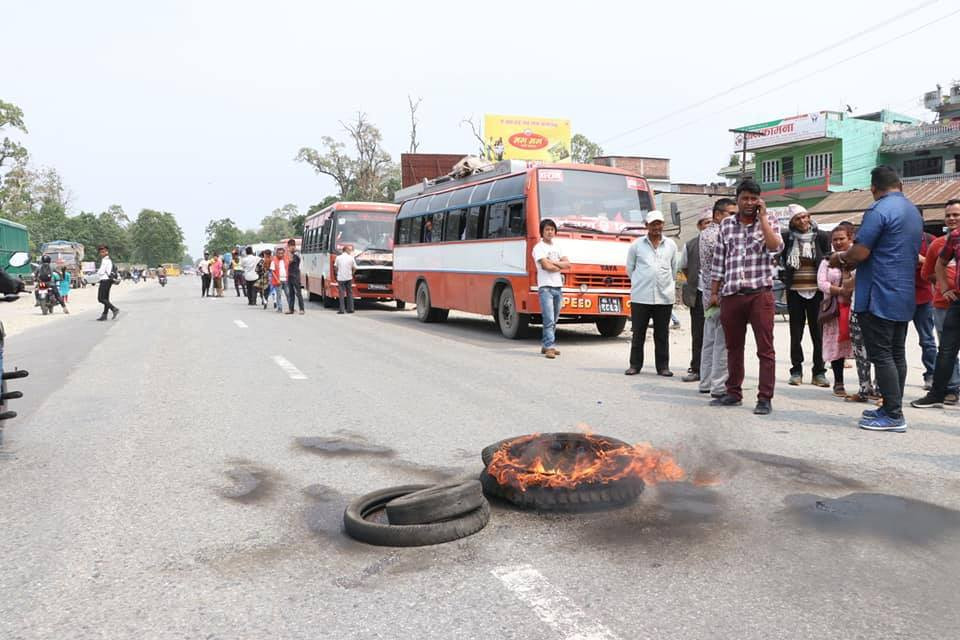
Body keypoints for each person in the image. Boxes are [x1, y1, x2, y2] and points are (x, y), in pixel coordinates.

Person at [829, 166, 923, 432]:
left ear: (873, 188)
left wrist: (840, 258)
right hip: (904, 292)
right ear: (900, 185)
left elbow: (859, 253)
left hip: (879, 293)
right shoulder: (913, 212)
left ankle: (893, 415)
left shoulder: (879, 210)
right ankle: (891, 406)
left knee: (881, 355)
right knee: (896, 353)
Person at [708, 179, 783, 415]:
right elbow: (719, 261)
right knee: (734, 347)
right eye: (745, 198)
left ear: (759, 200)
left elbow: (775, 247)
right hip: (732, 294)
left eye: (754, 198)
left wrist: (762, 219)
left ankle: (764, 398)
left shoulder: (769, 221)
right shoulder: (727, 225)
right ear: (737, 199)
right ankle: (733, 393)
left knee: (765, 349)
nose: (749, 203)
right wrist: (713, 292)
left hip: (760, 294)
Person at [779, 204, 832, 387]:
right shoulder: (786, 237)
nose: (803, 221)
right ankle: (796, 371)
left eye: (805, 216)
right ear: (792, 222)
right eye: (798, 219)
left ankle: (819, 372)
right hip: (795, 292)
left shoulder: (822, 236)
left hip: (817, 293)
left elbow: (828, 261)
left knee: (818, 334)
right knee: (796, 333)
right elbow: (779, 260)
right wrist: (784, 276)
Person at [911, 221, 960, 410]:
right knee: (946, 350)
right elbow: (940, 263)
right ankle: (938, 393)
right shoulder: (955, 236)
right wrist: (945, 288)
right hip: (957, 301)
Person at [625, 210, 679, 377]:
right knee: (638, 333)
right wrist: (641, 282)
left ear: (663, 225)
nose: (656, 227)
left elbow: (674, 269)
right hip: (641, 297)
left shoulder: (671, 245)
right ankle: (635, 365)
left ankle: (663, 367)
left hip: (664, 298)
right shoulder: (636, 245)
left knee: (662, 334)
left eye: (659, 223)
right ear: (646, 226)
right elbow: (630, 269)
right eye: (653, 224)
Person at [698, 198, 736, 398]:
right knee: (722, 342)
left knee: (710, 340)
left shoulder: (705, 233)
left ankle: (705, 382)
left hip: (709, 294)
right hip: (720, 294)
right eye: (730, 214)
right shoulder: (719, 235)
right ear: (718, 215)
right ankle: (719, 386)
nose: (733, 218)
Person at [817, 225, 855, 397]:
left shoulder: (858, 258)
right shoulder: (827, 260)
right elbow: (822, 283)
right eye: (835, 240)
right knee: (836, 346)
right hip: (834, 310)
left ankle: (866, 384)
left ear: (850, 239)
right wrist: (840, 291)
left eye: (842, 239)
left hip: (856, 307)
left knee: (861, 346)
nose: (838, 242)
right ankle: (838, 383)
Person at [679, 209, 713, 382]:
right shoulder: (690, 245)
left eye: (712, 222)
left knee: (716, 333)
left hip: (716, 296)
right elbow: (684, 266)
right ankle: (697, 369)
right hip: (698, 295)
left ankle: (715, 371)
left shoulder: (722, 241)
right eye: (706, 222)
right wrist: (694, 279)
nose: (710, 225)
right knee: (698, 333)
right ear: (700, 226)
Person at [532, 218, 571, 359]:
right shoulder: (538, 248)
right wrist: (558, 264)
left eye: (552, 229)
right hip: (545, 288)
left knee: (554, 319)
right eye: (547, 229)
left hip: (557, 288)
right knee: (548, 318)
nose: (550, 232)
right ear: (542, 232)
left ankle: (546, 344)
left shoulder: (558, 247)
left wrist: (553, 262)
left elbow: (568, 264)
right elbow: (545, 267)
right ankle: (549, 346)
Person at [913, 230, 938, 390]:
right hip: (900, 297)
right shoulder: (897, 238)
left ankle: (931, 374)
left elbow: (942, 265)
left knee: (927, 339)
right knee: (894, 342)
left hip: (924, 297)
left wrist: (923, 260)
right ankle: (888, 378)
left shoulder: (931, 241)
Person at [95, 244, 120, 321]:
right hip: (109, 280)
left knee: (100, 298)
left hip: (105, 280)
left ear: (107, 252)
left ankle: (114, 309)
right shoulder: (109, 260)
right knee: (106, 298)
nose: (102, 253)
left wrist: (97, 272)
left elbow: (101, 271)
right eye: (101, 252)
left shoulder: (105, 260)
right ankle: (104, 315)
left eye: (103, 252)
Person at [334, 244, 357, 314]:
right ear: (346, 250)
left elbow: (335, 267)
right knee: (349, 293)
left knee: (341, 294)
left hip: (340, 278)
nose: (350, 251)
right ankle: (350, 309)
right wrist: (352, 273)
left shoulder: (338, 257)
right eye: (349, 250)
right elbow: (355, 268)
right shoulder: (351, 258)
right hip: (349, 277)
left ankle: (342, 310)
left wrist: (337, 273)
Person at [285, 239, 304, 315]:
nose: (291, 248)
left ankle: (302, 309)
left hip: (295, 275)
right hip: (289, 275)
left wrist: (289, 253)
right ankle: (291, 309)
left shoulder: (297, 254)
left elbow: (290, 260)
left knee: (298, 293)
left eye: (293, 246)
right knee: (291, 293)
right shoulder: (288, 254)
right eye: (290, 246)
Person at [271, 246, 289, 314]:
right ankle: (279, 308)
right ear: (276, 253)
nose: (280, 255)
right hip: (278, 281)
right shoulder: (274, 260)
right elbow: (272, 271)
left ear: (284, 253)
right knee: (279, 295)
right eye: (279, 253)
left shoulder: (286, 259)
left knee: (288, 294)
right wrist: (277, 280)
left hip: (286, 280)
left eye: (282, 253)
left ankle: (291, 307)